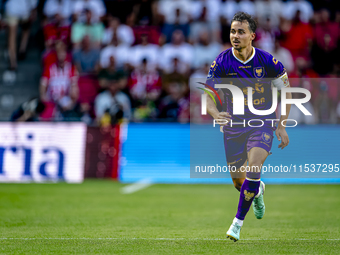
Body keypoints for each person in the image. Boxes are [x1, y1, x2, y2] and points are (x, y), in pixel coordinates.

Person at [204, 12, 292, 242]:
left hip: (262, 122)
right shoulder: (221, 62)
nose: (235, 35)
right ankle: (258, 190)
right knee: (238, 182)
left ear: (252, 36)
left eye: (241, 32)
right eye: (233, 31)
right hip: (234, 125)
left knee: (254, 166)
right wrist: (215, 113)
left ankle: (237, 223)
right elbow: (208, 95)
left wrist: (281, 125)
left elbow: (287, 93)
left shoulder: (269, 62)